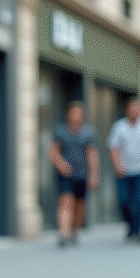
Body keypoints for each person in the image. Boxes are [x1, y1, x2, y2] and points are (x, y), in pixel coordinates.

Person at [108, 98, 140, 243]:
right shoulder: (119, 127)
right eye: (132, 109)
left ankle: (137, 231)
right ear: (127, 110)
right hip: (123, 170)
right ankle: (130, 225)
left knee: (138, 201)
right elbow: (113, 147)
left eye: (137, 109)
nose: (134, 112)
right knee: (124, 201)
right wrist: (117, 165)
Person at [48, 101, 99, 247]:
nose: (75, 116)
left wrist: (93, 174)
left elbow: (92, 154)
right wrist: (60, 164)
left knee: (79, 205)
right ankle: (63, 233)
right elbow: (53, 151)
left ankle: (74, 230)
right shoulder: (61, 131)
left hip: (82, 175)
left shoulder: (88, 133)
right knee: (65, 201)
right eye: (73, 113)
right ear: (68, 115)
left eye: (78, 114)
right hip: (65, 174)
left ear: (82, 116)